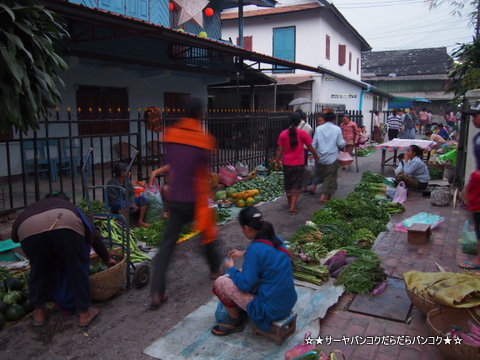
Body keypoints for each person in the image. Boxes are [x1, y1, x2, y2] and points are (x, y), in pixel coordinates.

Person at [149, 98, 223, 310]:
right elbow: (204, 173)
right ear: (200, 115)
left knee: (167, 246)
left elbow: (173, 166)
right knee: (208, 233)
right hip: (196, 199)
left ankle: (156, 292)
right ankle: (214, 269)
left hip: (176, 198)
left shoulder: (170, 135)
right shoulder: (204, 139)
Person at [11, 191, 116, 327]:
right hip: (64, 226)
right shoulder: (69, 208)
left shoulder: (33, 208)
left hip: (28, 230)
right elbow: (93, 236)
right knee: (77, 267)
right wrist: (106, 258)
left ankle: (39, 311)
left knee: (38, 270)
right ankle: (84, 313)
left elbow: (15, 238)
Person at [211, 207, 297, 336]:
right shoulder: (276, 239)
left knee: (221, 281)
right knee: (244, 272)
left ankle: (235, 321)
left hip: (269, 311)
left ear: (247, 228)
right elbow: (266, 254)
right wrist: (243, 253)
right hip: (288, 302)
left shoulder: (255, 249)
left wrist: (231, 268)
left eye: (241, 228)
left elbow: (245, 285)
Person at [274, 112, 319, 215]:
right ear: (299, 121)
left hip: (287, 163)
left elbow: (279, 149)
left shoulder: (283, 133)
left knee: (288, 184)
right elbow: (310, 147)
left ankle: (290, 203)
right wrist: (316, 154)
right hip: (299, 163)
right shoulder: (302, 133)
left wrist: (277, 161)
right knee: (296, 184)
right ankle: (292, 207)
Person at [458, 103, 480, 269]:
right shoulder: (476, 137)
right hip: (477, 182)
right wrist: (468, 187)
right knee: (477, 221)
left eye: (475, 116)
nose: (473, 120)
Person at [312, 111, 346, 204]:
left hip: (320, 157)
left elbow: (313, 143)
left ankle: (330, 195)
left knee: (325, 176)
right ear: (334, 120)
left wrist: (312, 154)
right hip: (332, 157)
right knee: (330, 177)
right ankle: (323, 197)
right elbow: (340, 143)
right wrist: (345, 142)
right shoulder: (337, 129)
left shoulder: (319, 129)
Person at [107, 162, 150, 227]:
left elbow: (132, 194)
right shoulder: (112, 183)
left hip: (128, 202)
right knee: (123, 203)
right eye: (128, 171)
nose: (130, 173)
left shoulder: (127, 181)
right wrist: (130, 205)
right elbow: (115, 199)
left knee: (143, 199)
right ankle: (123, 226)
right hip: (116, 204)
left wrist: (132, 204)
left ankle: (140, 221)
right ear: (122, 174)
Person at [304, 114, 326, 195]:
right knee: (317, 171)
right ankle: (314, 187)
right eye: (318, 121)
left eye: (321, 121)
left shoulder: (331, 130)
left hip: (328, 155)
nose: (319, 123)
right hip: (319, 154)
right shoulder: (318, 130)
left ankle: (323, 190)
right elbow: (314, 142)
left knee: (324, 172)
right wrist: (311, 153)